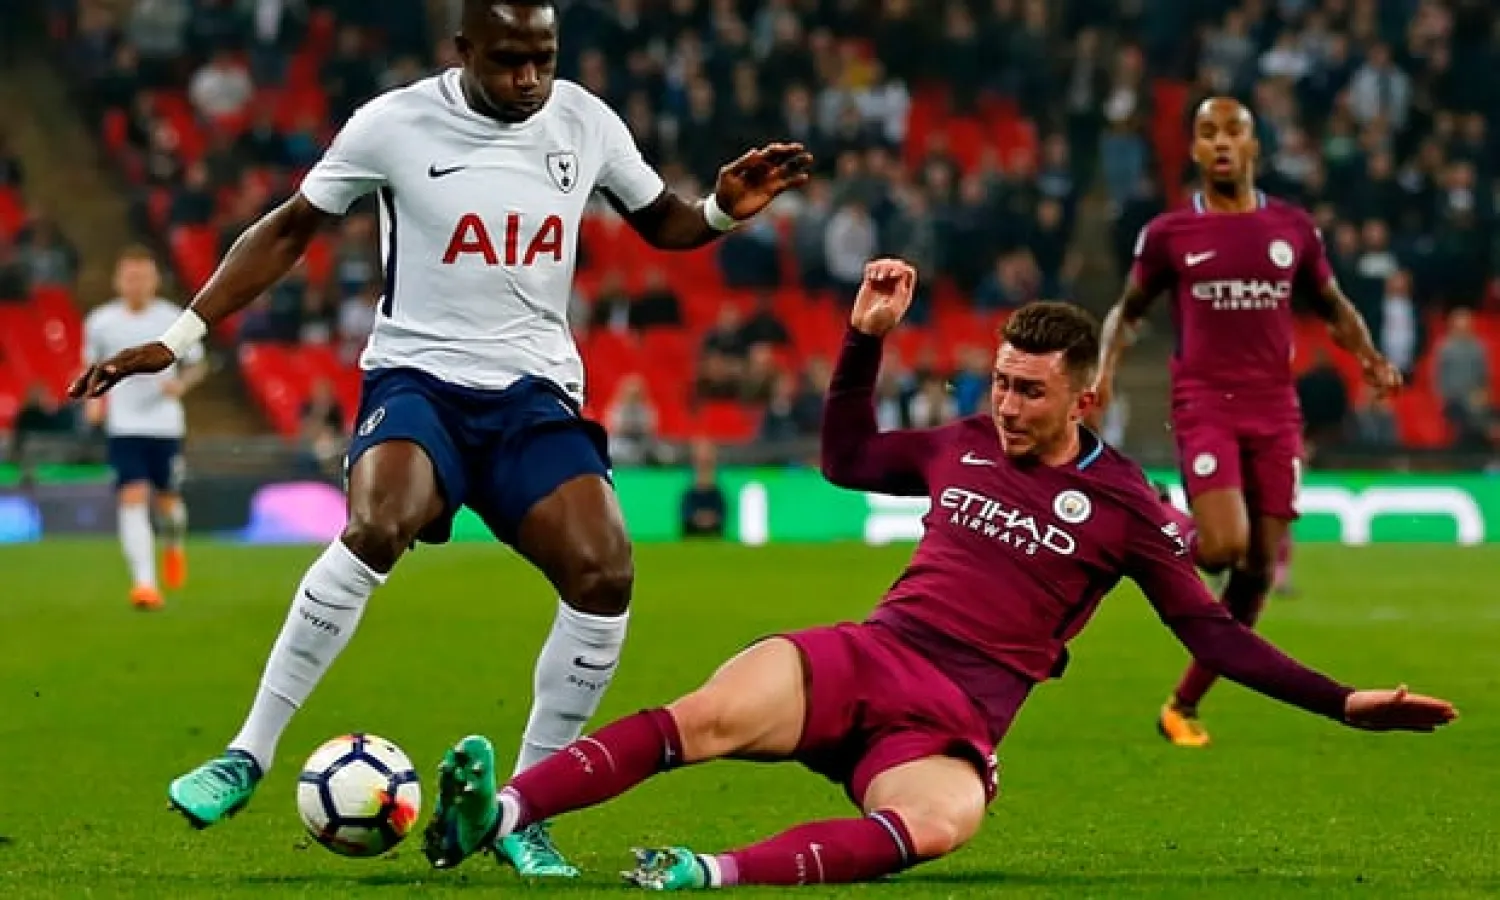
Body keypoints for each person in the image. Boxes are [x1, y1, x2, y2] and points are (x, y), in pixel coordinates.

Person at [68, 0, 811, 877]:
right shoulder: (393, 124)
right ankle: (247, 752)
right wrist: (183, 336)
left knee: (606, 572)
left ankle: (525, 813)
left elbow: (664, 223)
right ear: (463, 50)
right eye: (506, 62)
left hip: (534, 395)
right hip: (418, 381)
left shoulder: (584, 119)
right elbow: (291, 227)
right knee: (378, 523)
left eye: (542, 58)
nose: (528, 79)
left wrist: (722, 211)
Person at [418, 260, 1454, 886]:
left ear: (1081, 399)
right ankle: (499, 816)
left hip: (950, 720)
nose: (1005, 406)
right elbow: (847, 461)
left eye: (1029, 393)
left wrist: (1341, 701)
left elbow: (1212, 635)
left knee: (941, 826)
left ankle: (704, 874)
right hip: (869, 656)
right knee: (708, 714)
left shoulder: (1129, 507)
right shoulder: (958, 442)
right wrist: (862, 347)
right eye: (999, 383)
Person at [1091, 97, 1404, 747]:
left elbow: (1333, 303)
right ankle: (1165, 513)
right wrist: (1104, 371)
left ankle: (1182, 706)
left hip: (1274, 410)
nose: (1223, 142)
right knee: (1225, 547)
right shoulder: (1170, 234)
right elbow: (1127, 310)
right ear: (1197, 152)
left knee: (1258, 569)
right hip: (1205, 404)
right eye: (1208, 133)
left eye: (1234, 131)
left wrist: (1370, 356)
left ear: (1254, 145)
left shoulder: (1293, 229)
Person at [81, 246, 205, 610]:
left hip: (165, 426)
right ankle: (145, 584)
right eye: (130, 277)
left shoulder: (172, 319)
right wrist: (93, 401)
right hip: (124, 425)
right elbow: (90, 365)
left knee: (169, 505)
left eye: (143, 277)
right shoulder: (101, 321)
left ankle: (173, 545)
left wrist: (181, 385)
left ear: (154, 281)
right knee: (132, 496)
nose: (136, 284)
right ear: (119, 281)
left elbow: (197, 364)